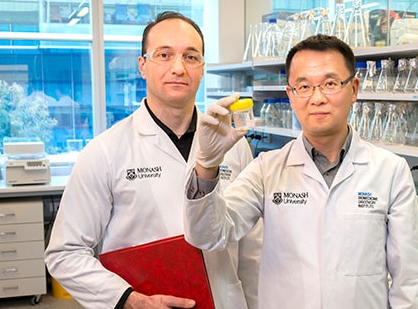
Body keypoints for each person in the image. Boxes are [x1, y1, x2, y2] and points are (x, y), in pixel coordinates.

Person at [184, 34, 418, 308]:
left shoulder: (390, 171)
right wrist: (206, 165)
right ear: (290, 95)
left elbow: (410, 283)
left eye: (330, 83)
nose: (317, 98)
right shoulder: (266, 169)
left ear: (354, 89)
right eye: (303, 86)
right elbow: (209, 235)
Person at [45, 11, 262, 309]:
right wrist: (129, 300)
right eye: (164, 54)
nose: (178, 67)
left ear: (201, 68)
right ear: (143, 66)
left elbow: (252, 245)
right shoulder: (106, 151)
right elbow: (64, 253)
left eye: (190, 57)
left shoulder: (233, 145)